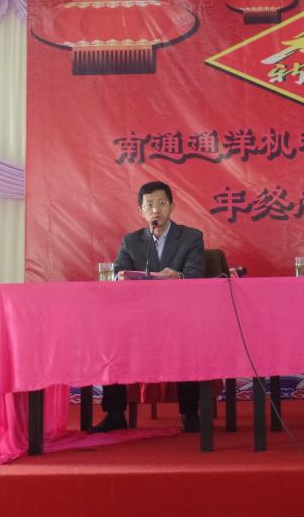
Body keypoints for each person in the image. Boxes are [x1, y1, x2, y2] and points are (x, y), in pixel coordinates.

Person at [90, 181, 206, 434]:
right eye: (149, 205)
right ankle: (115, 414)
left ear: (172, 207)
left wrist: (179, 276)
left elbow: (197, 275)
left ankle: (190, 412)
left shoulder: (191, 237)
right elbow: (119, 273)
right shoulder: (131, 241)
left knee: (190, 338)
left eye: (162, 203)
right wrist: (122, 277)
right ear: (141, 211)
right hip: (139, 318)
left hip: (178, 317)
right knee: (112, 341)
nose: (156, 210)